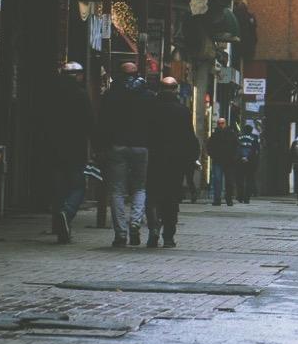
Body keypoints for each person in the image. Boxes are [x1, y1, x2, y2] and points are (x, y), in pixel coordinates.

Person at [98, 60, 154, 247]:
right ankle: (135, 225)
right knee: (140, 188)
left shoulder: (111, 95)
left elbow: (103, 123)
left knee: (117, 191)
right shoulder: (147, 96)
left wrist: (102, 147)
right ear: (138, 74)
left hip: (117, 146)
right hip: (142, 146)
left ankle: (120, 233)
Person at [144, 77, 197, 247]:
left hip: (153, 159)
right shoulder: (182, 111)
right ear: (175, 90)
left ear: (160, 89)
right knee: (171, 198)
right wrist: (191, 160)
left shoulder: (150, 108)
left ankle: (153, 228)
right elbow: (189, 137)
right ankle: (168, 236)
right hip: (175, 162)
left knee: (152, 196)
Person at [44, 62, 93, 244]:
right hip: (75, 148)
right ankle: (68, 212)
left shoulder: (52, 95)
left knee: (58, 187)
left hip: (54, 148)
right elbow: (89, 122)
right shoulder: (81, 95)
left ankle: (59, 225)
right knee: (78, 186)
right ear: (78, 76)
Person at [206, 117, 240, 206]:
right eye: (219, 123)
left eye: (222, 123)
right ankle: (217, 199)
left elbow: (236, 146)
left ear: (225, 124)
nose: (221, 125)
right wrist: (212, 155)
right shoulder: (215, 134)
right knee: (217, 180)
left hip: (229, 161)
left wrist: (234, 157)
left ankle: (228, 198)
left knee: (229, 181)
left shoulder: (231, 134)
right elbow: (209, 146)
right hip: (218, 160)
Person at [237, 123, 260, 202]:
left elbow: (236, 148)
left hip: (240, 161)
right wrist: (248, 158)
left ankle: (240, 197)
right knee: (249, 180)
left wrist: (241, 157)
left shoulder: (239, 137)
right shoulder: (255, 137)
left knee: (240, 179)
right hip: (250, 162)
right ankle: (247, 198)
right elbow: (256, 150)